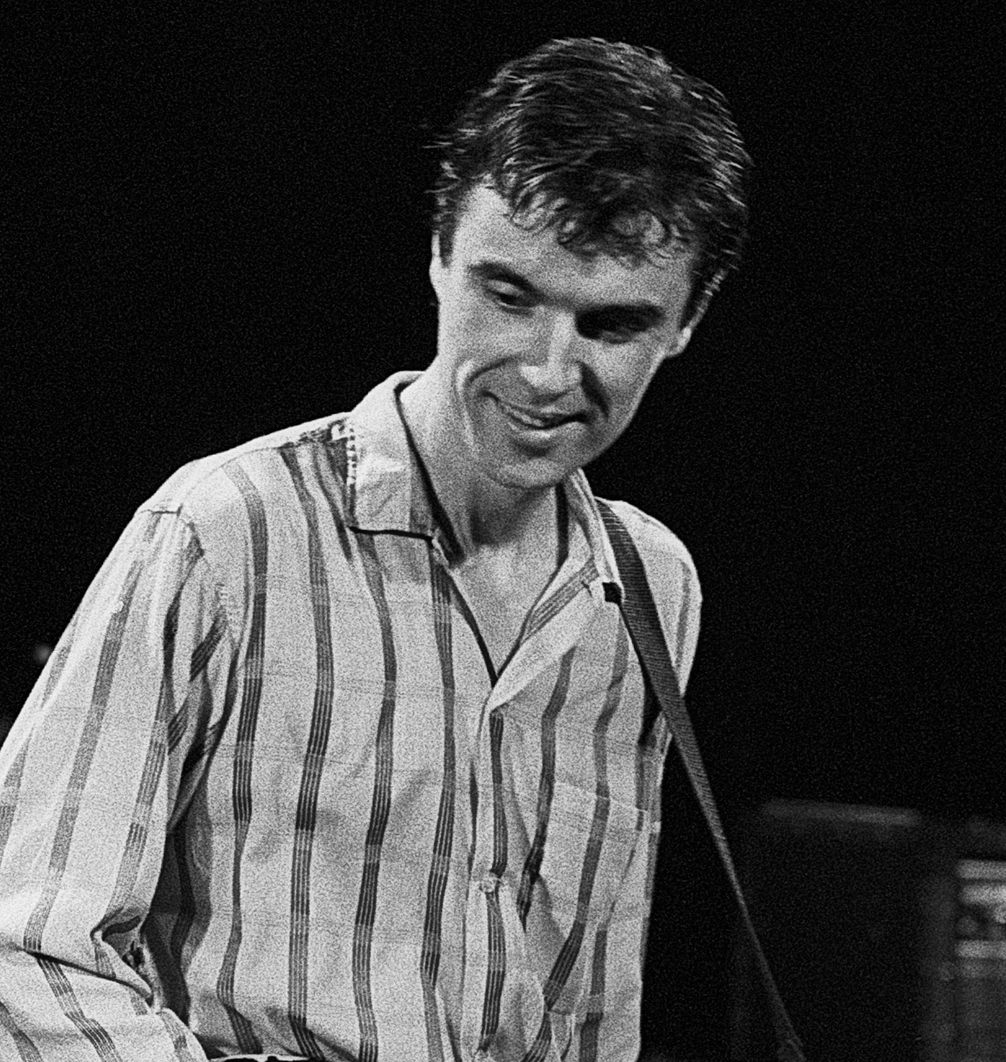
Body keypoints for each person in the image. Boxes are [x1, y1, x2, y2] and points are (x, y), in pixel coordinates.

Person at [0, 37, 749, 1061]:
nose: (546, 370)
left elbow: (589, 1007)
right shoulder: (228, 531)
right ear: (439, 256)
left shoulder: (653, 587)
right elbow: (28, 950)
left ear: (686, 323)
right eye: (509, 295)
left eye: (611, 326)